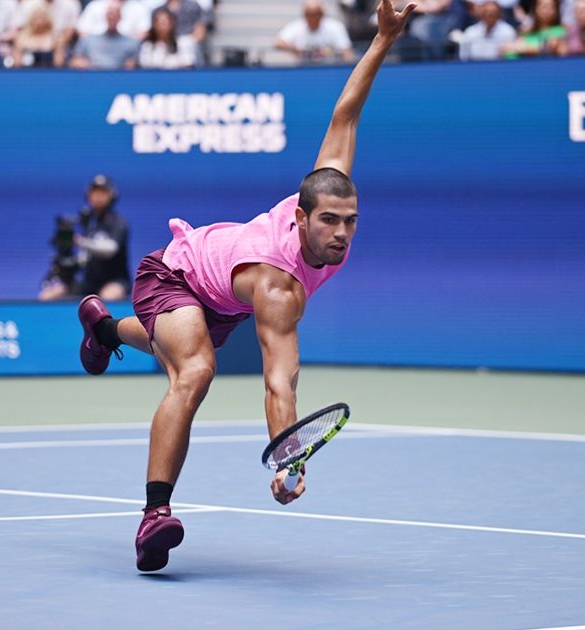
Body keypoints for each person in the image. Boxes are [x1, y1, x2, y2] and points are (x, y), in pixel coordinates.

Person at [77, 0, 416, 572]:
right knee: (196, 368)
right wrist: (289, 458)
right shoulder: (280, 286)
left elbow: (346, 116)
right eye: (328, 221)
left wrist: (382, 38)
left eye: (350, 221)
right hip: (178, 270)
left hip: (220, 296)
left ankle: (103, 327)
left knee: (185, 340)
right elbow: (278, 383)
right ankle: (154, 516)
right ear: (302, 218)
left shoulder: (326, 190)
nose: (340, 233)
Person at [275, 0, 356, 63]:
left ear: (322, 14)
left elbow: (347, 51)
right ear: (304, 15)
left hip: (329, 71)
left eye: (316, 14)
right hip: (303, 71)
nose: (313, 18)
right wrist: (295, 50)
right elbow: (278, 42)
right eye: (309, 14)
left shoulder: (335, 27)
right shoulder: (297, 27)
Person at [70, 3, 141, 68]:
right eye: (110, 14)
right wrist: (79, 62)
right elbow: (74, 61)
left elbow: (134, 66)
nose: (112, 18)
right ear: (105, 16)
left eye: (115, 15)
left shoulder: (132, 43)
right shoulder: (88, 40)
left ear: (120, 17)